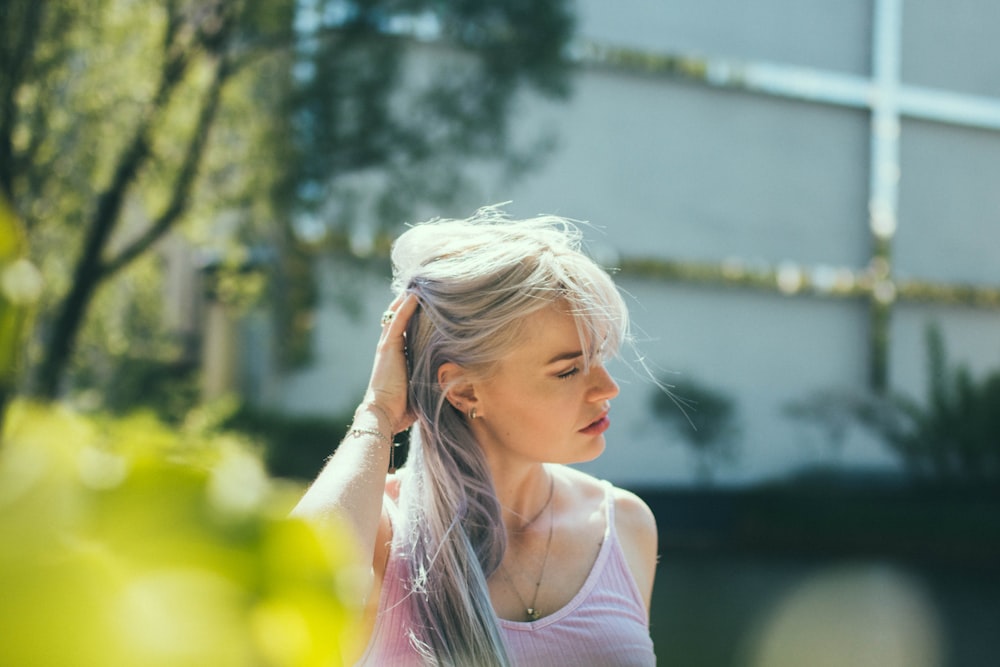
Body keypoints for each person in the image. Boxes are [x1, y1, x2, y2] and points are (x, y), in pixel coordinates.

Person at [292, 206, 659, 666]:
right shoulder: (383, 533)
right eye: (568, 370)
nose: (608, 388)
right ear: (465, 391)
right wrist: (378, 413)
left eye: (601, 357)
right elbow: (279, 594)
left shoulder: (625, 525)